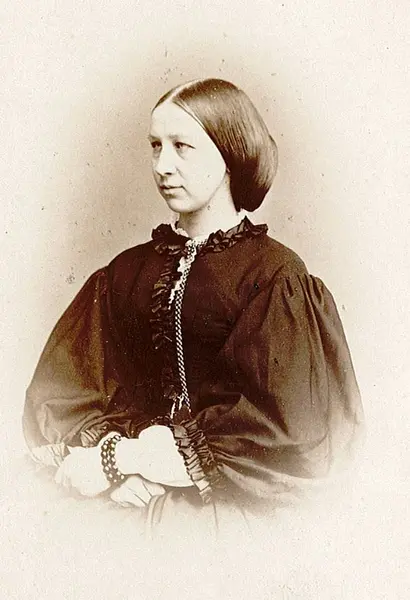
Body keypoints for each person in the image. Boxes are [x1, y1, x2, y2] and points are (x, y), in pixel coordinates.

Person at [22, 78, 364, 541]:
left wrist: (122, 460)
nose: (163, 165)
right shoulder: (125, 273)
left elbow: (281, 432)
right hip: (123, 499)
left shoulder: (274, 276)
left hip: (232, 507)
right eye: (156, 146)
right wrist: (111, 468)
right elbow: (65, 392)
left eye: (182, 147)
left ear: (229, 155)